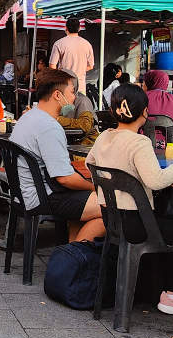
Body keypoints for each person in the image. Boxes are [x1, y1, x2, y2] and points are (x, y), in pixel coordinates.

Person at [88, 83, 173, 316]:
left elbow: (92, 165)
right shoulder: (139, 142)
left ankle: (171, 292)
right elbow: (155, 180)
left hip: (115, 222)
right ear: (144, 112)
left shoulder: (104, 137)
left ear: (114, 111)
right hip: (139, 226)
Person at [8, 68, 104, 242]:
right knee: (112, 205)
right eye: (72, 92)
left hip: (25, 192)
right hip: (43, 196)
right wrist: (94, 187)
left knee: (88, 206)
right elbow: (65, 178)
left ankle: (74, 250)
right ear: (58, 95)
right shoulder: (49, 126)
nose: (75, 98)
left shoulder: (28, 117)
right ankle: (73, 257)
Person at [50, 18, 96, 94]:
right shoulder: (87, 44)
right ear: (79, 28)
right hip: (80, 87)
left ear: (66, 28)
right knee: (79, 105)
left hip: (64, 85)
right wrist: (79, 69)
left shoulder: (59, 43)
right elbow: (91, 66)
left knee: (64, 106)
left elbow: (52, 66)